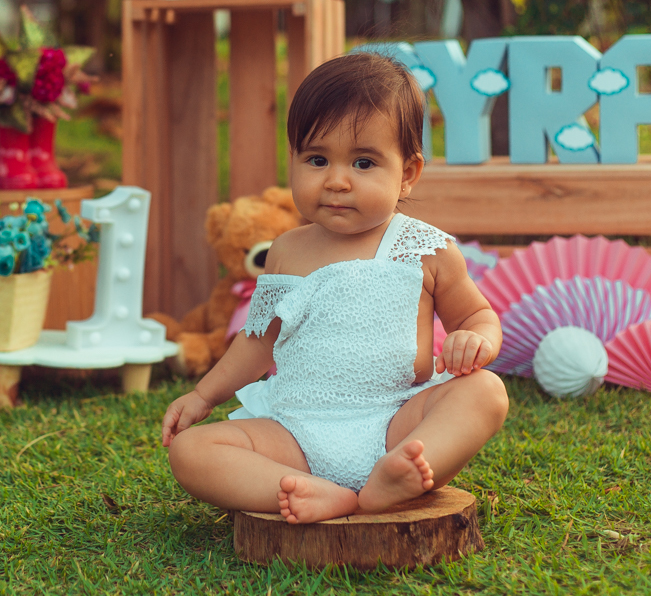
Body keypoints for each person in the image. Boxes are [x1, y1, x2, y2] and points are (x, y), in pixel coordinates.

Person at [161, 52, 509, 523]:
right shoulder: (285, 250)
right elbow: (259, 339)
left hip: (394, 423)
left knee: (486, 393)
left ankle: (393, 478)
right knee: (191, 451)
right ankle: (316, 491)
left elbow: (475, 316)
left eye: (364, 163)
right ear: (294, 160)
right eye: (317, 159)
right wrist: (203, 396)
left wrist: (477, 339)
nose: (337, 181)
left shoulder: (424, 249)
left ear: (407, 174)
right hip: (295, 434)